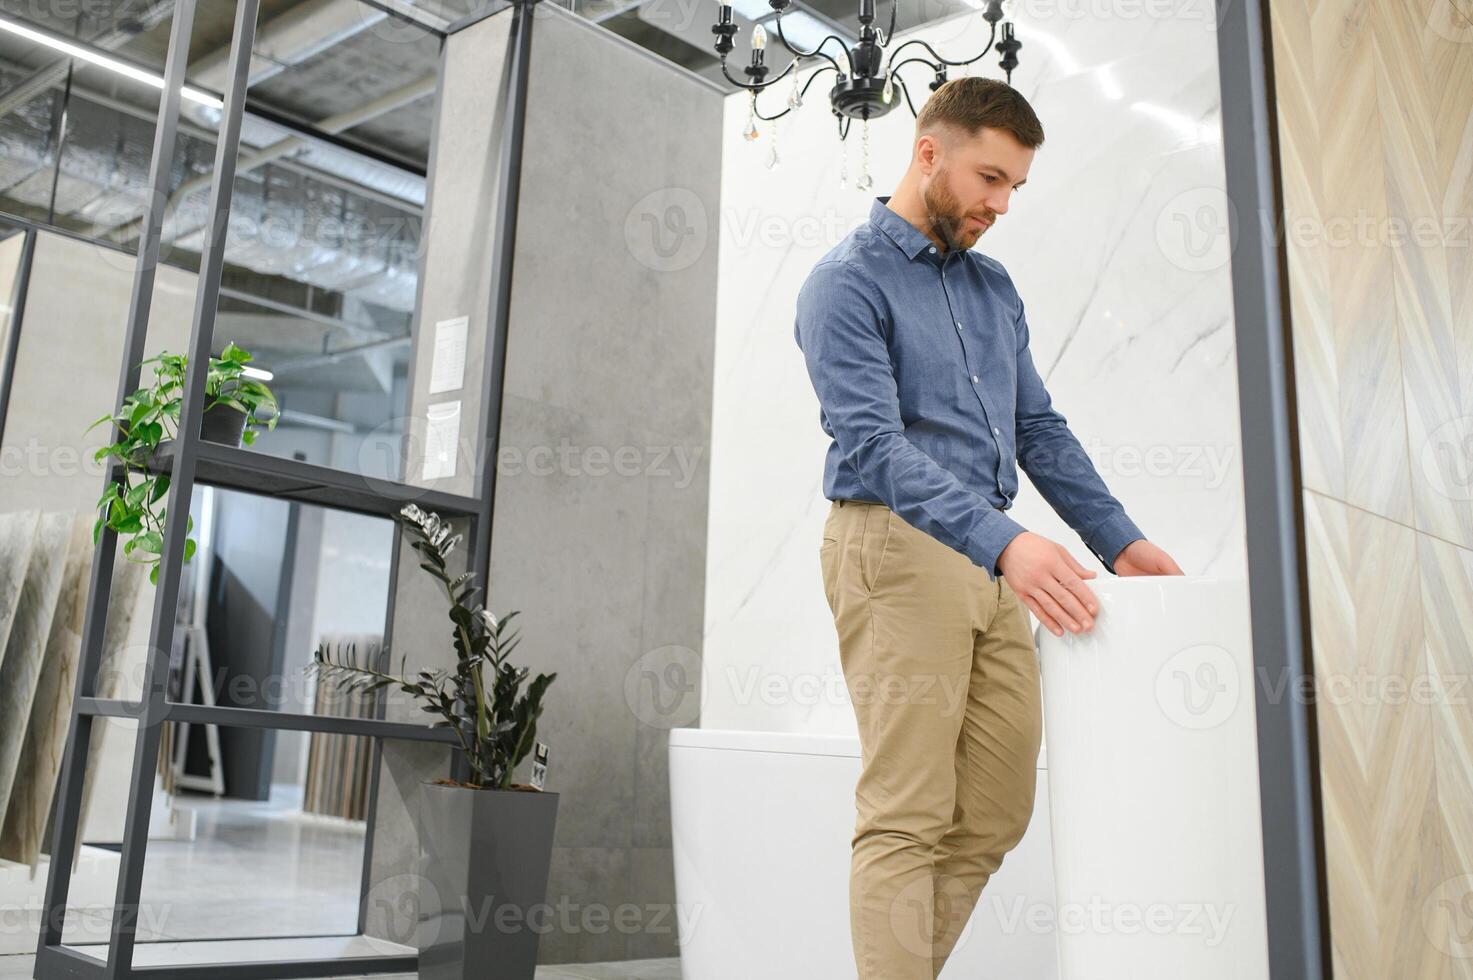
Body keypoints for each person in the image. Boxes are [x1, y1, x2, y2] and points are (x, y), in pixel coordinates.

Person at [793, 76, 1184, 980]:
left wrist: (1115, 538)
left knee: (997, 810)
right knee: (907, 811)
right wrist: (1008, 541)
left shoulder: (993, 286)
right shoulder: (843, 284)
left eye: (1014, 187)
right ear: (928, 151)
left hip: (988, 553)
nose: (1000, 204)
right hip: (893, 545)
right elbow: (874, 446)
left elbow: (1036, 425)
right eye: (989, 178)